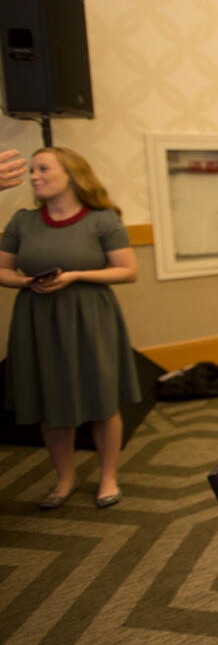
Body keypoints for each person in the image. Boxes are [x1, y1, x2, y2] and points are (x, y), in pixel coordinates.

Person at [0, 147, 139, 510]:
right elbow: (2, 270)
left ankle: (108, 476)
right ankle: (65, 477)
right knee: (51, 400)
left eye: (43, 168)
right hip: (38, 318)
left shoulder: (102, 220)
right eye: (31, 170)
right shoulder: (22, 222)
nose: (34, 176)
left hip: (90, 318)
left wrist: (76, 275)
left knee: (102, 398)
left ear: (73, 174)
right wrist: (27, 283)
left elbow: (127, 270)